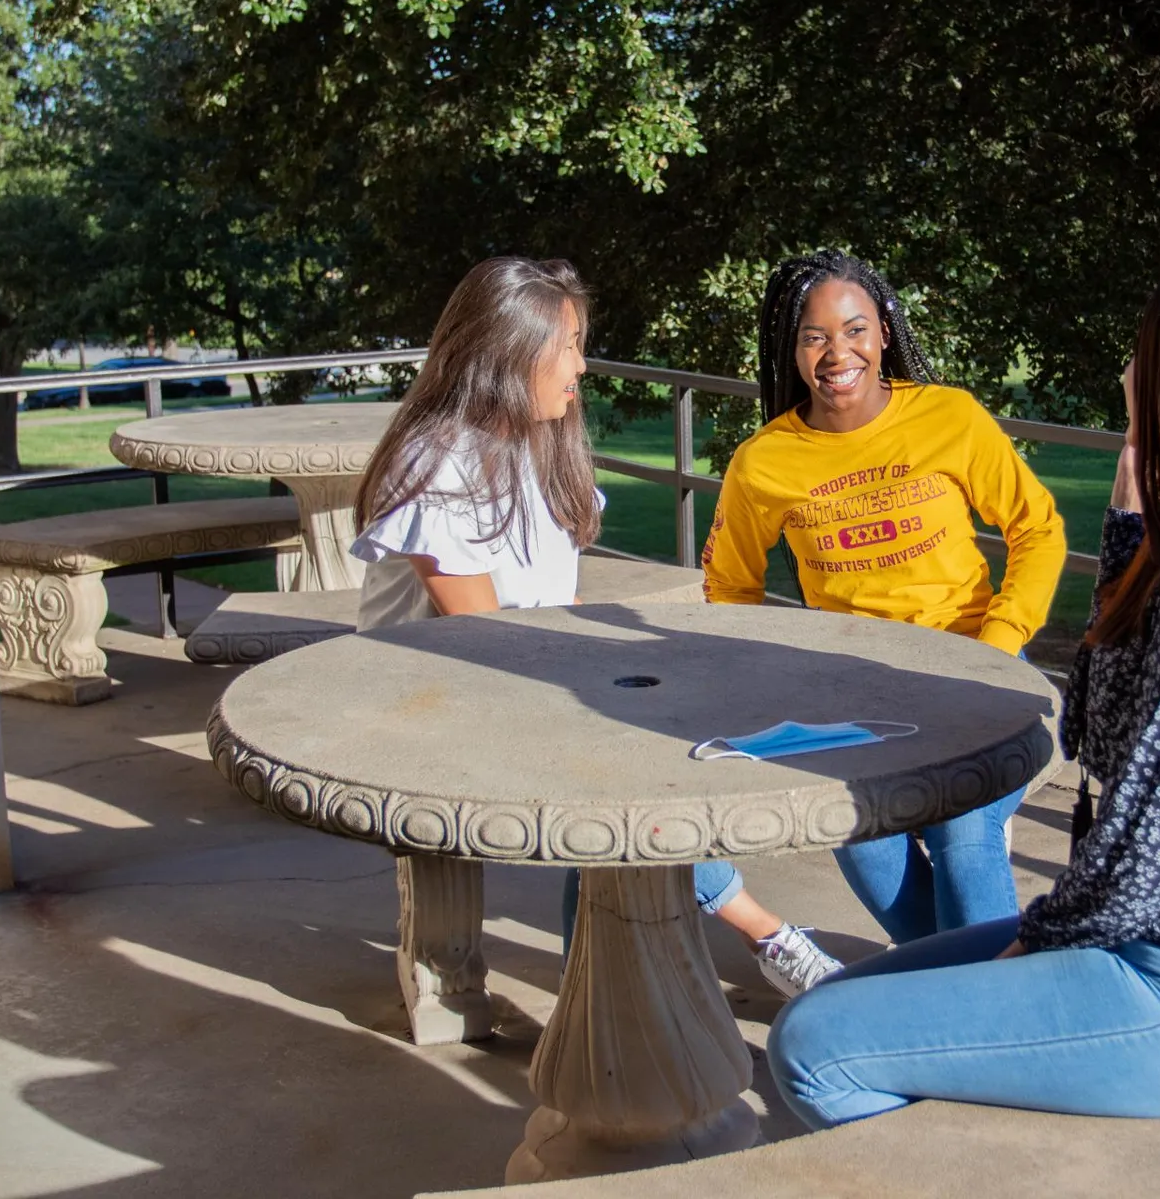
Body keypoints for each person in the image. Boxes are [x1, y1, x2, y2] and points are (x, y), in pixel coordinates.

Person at [764, 256, 1160, 1129]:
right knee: (841, 1001)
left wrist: (1031, 945)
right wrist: (1128, 532)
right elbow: (1098, 727)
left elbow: (1149, 836)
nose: (1125, 373)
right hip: (1147, 939)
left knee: (813, 1044)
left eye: (1141, 355)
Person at [349, 255, 827, 996]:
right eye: (568, 345)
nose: (582, 364)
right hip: (432, 704)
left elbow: (543, 623)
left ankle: (612, 975)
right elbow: (488, 637)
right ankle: (762, 938)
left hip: (511, 684)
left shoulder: (534, 446)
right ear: (509, 353)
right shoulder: (439, 462)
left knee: (666, 753)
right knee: (635, 785)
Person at [703, 250, 1068, 949]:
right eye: (815, 336)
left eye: (856, 329)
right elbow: (730, 587)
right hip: (854, 693)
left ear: (885, 333)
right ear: (792, 348)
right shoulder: (763, 462)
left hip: (972, 670)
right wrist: (770, 677)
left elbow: (1039, 529)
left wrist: (997, 644)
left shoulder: (949, 418)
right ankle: (968, 991)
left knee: (962, 831)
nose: (838, 353)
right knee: (858, 836)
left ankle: (980, 1004)